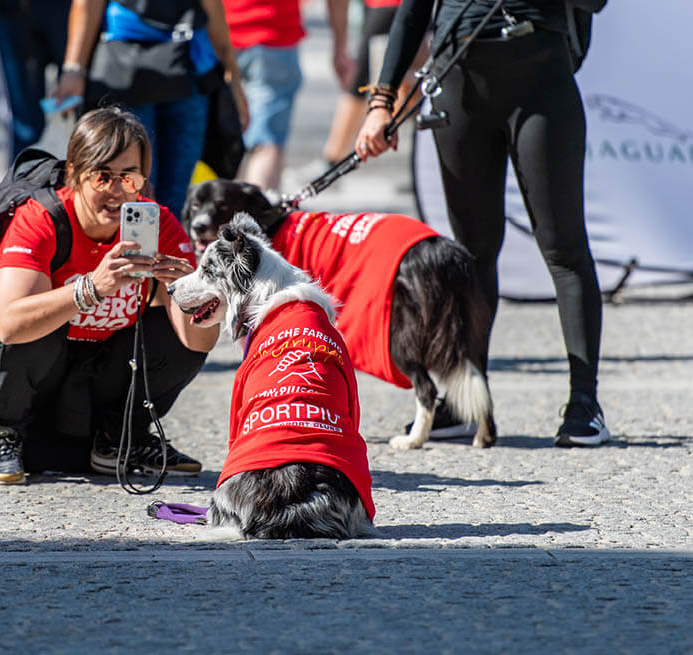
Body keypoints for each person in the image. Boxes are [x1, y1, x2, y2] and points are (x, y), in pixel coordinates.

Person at [355, 0, 609, 447]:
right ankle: (465, 401)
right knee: (472, 250)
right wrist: (381, 101)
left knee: (564, 249)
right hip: (460, 85)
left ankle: (584, 405)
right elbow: (412, 13)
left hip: (541, 83)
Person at [0, 107, 220, 486]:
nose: (116, 191)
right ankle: (4, 433)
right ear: (75, 174)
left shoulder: (158, 225)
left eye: (129, 176)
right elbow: (10, 325)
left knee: (171, 333)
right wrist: (91, 288)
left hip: (84, 351)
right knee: (44, 321)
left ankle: (119, 439)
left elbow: (196, 343)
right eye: (102, 176)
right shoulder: (40, 218)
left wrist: (199, 298)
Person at [52, 0, 247, 221]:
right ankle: (138, 251)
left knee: (142, 192)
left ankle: (152, 251)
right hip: (145, 70)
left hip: (172, 71)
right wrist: (74, 69)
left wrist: (74, 69)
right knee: (138, 191)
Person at [223, 0, 353, 196]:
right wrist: (340, 44)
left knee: (221, 141)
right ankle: (256, 222)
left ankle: (226, 217)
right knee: (266, 144)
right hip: (274, 36)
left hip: (221, 34)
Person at [320, 0, 427, 166]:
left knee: (363, 85)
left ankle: (333, 158)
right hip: (387, 10)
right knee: (370, 84)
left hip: (391, 9)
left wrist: (339, 46)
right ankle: (334, 157)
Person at [0, 0, 71, 162]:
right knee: (25, 125)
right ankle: (24, 182)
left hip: (65, 9)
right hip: (14, 12)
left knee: (73, 110)